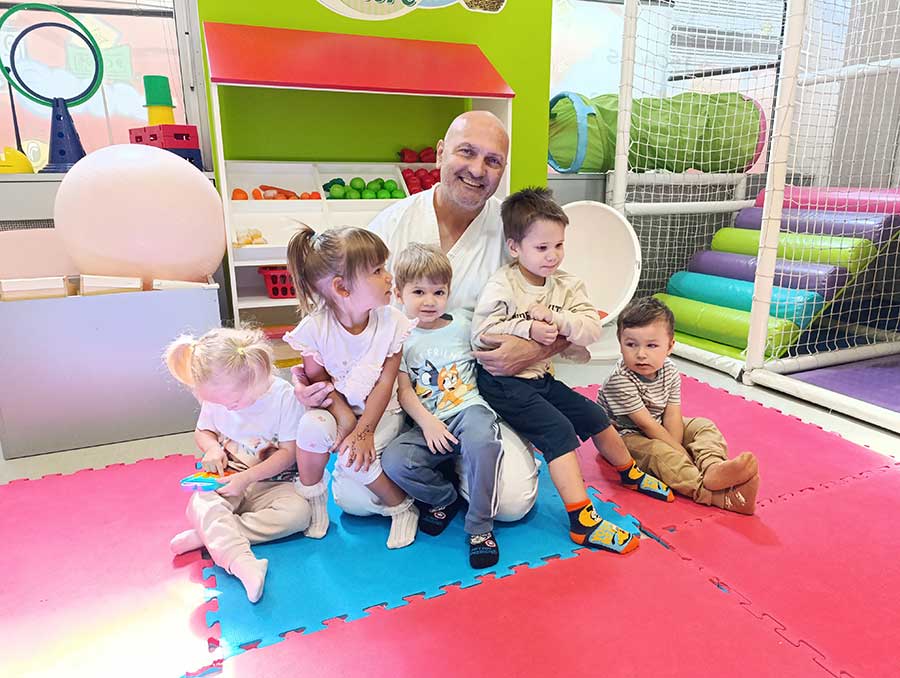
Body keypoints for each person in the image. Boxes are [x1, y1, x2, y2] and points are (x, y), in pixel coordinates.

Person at [472, 187, 674, 554]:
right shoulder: (503, 284)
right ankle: (582, 520)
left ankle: (629, 471)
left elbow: (592, 328)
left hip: (540, 377)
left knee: (594, 415)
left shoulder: (567, 285)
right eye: (541, 247)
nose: (552, 256)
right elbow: (482, 334)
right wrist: (526, 328)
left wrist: (560, 320)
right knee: (559, 431)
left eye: (558, 245)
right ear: (515, 247)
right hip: (502, 383)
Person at [283, 225, 419, 549]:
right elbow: (319, 381)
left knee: (350, 462)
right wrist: (345, 418)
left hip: (381, 413)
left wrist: (363, 430)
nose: (389, 277)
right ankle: (314, 504)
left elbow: (386, 381)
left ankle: (402, 507)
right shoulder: (315, 329)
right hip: (340, 409)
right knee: (310, 428)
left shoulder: (391, 322)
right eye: (377, 271)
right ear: (342, 287)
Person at [165, 327, 311, 603]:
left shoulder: (283, 397)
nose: (228, 408)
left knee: (299, 515)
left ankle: (211, 534)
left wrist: (247, 479)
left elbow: (288, 453)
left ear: (255, 379)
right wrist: (212, 448)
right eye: (218, 403)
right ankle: (241, 562)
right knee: (201, 501)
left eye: (232, 402)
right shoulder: (218, 395)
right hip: (228, 474)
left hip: (274, 482)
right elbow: (203, 431)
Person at [380, 243, 503, 569]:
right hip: (429, 422)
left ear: (449, 292)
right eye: (419, 292)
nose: (429, 301)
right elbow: (404, 391)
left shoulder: (463, 323)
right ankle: (444, 499)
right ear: (399, 293)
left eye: (438, 292)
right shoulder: (399, 338)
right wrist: (427, 423)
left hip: (468, 410)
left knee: (483, 441)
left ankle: (480, 527)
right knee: (395, 460)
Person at [598, 297, 761, 514]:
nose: (641, 354)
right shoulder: (619, 380)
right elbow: (646, 425)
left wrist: (677, 445)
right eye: (631, 345)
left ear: (670, 346)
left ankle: (712, 467)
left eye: (652, 345)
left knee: (703, 425)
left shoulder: (670, 370)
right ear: (620, 344)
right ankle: (715, 494)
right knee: (659, 454)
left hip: (658, 424)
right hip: (623, 437)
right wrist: (681, 454)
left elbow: (672, 414)